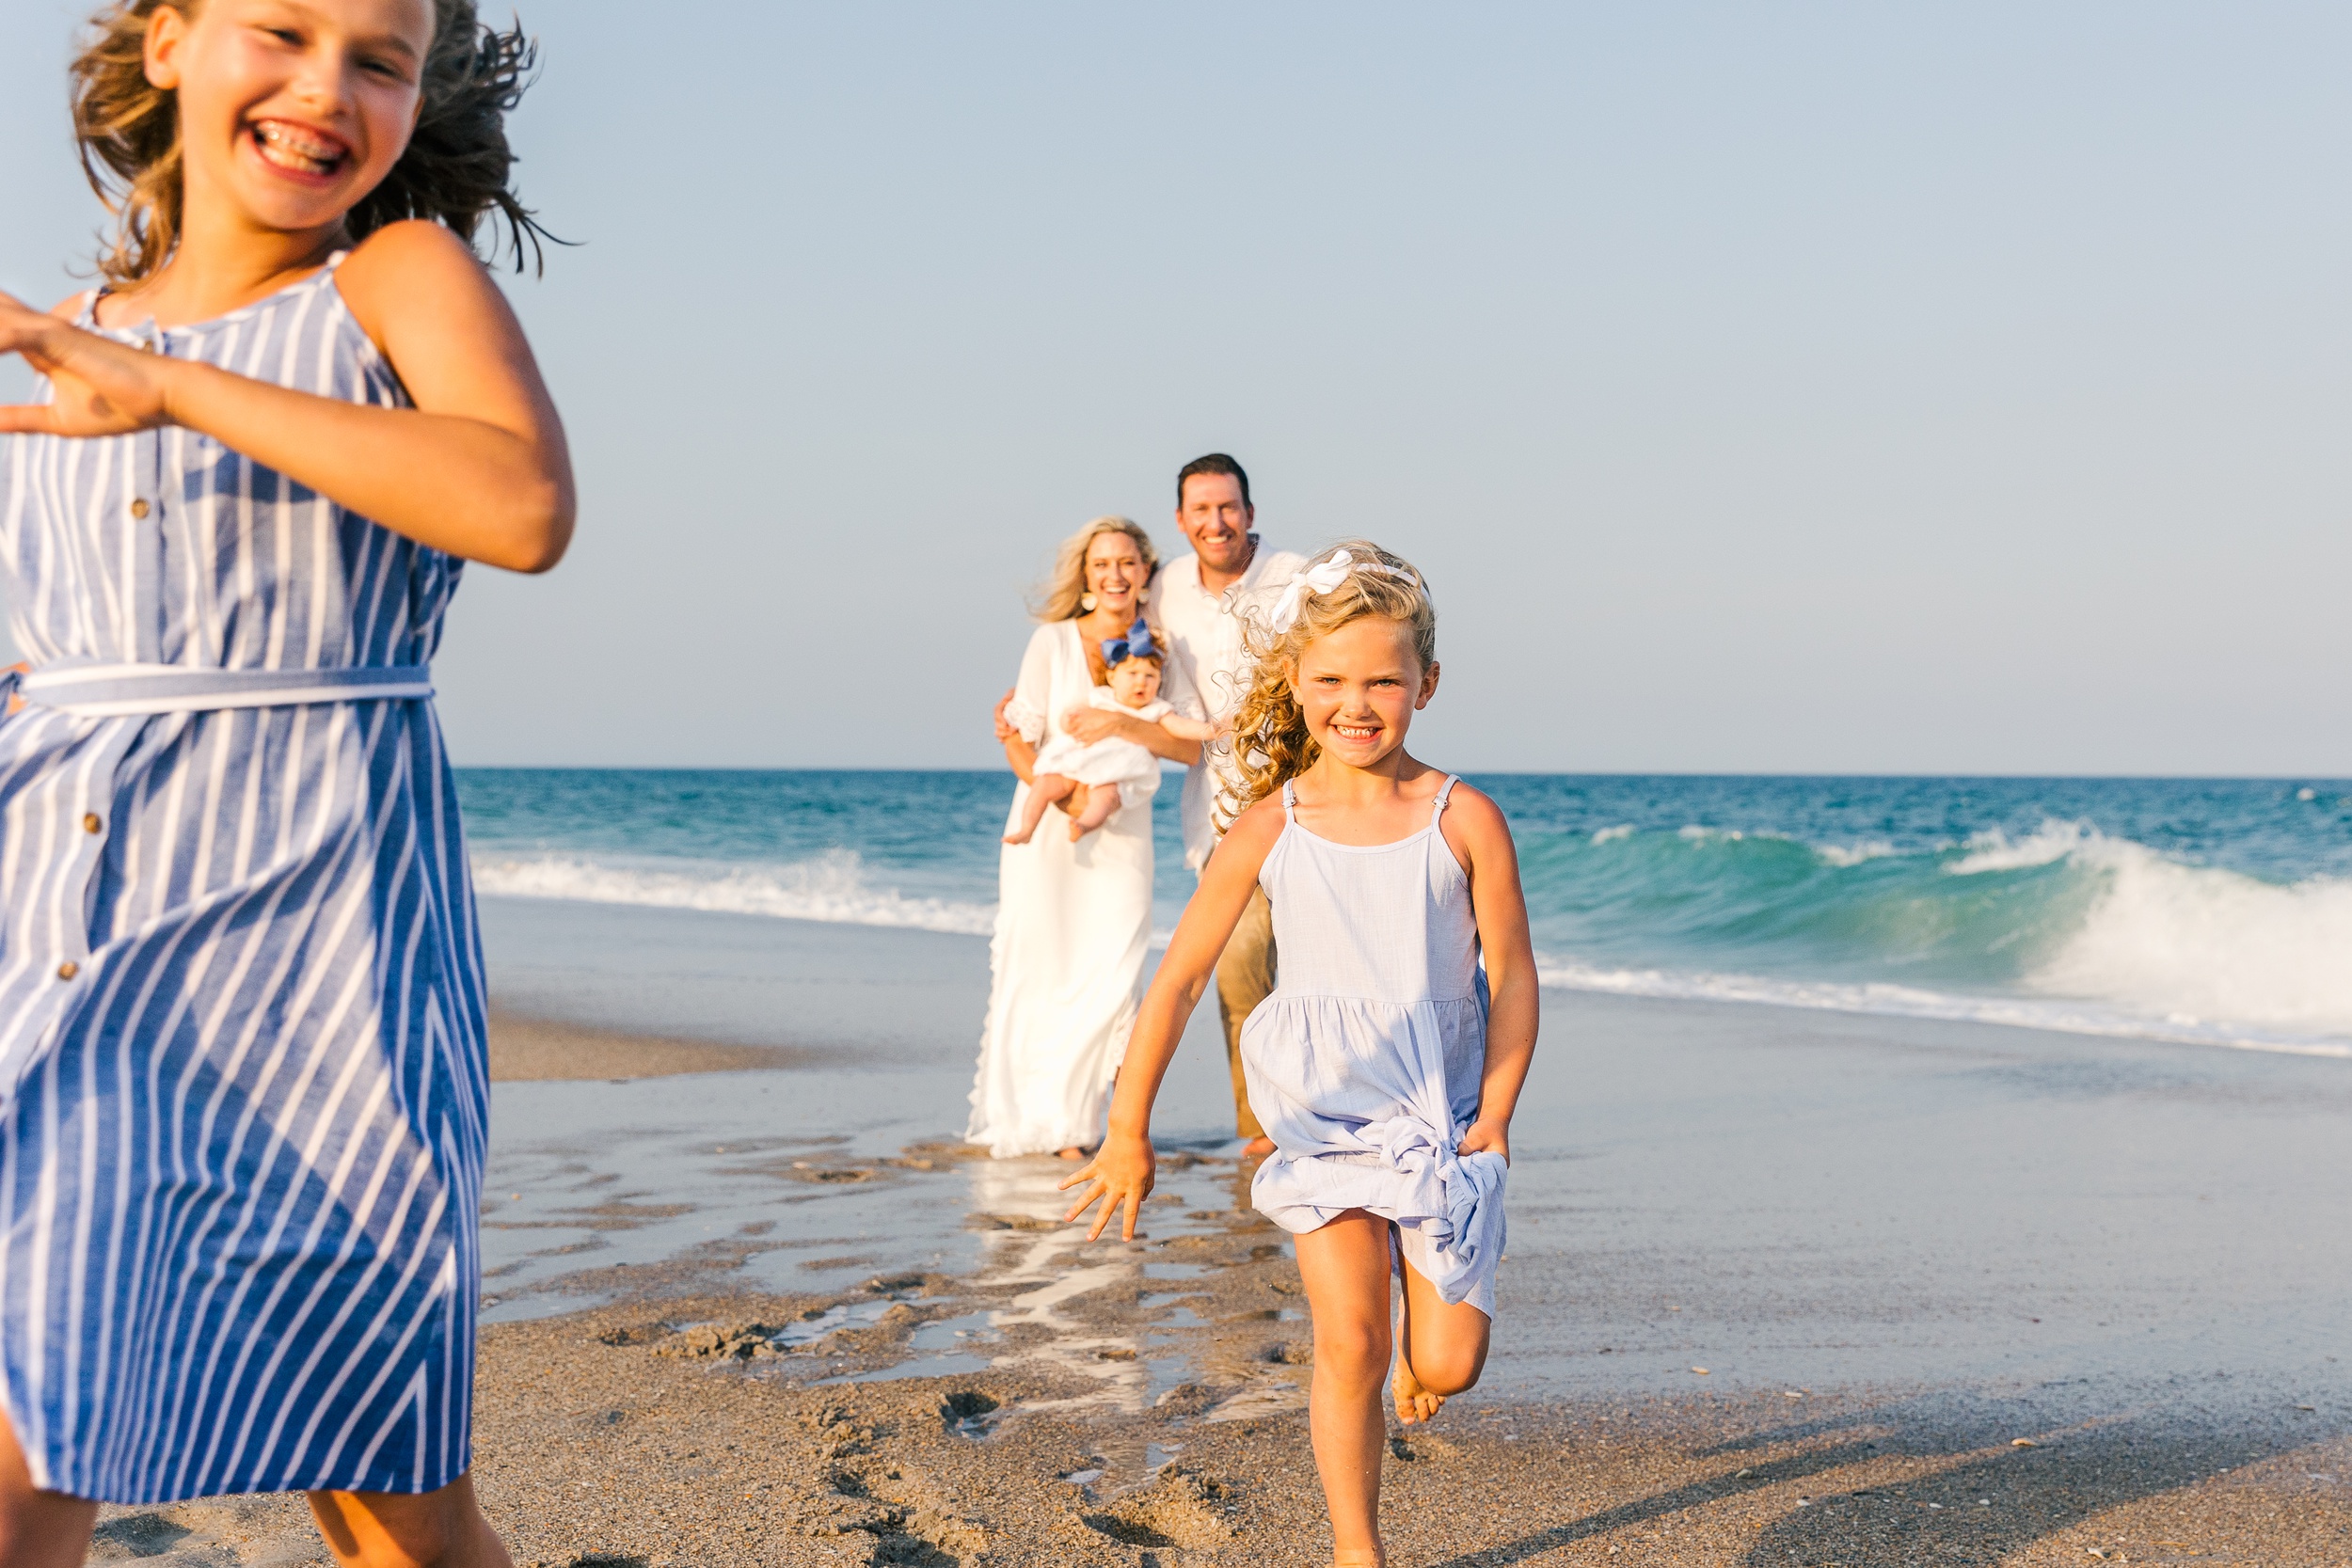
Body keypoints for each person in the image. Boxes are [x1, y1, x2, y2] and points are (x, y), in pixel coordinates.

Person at [0, 0, 572, 1563]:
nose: (329, 86)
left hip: (317, 968)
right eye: (284, 29)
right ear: (171, 42)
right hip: (60, 949)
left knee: (390, 1506)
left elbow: (519, 504)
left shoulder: (390, 281)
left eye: (380, 59)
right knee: (20, 1455)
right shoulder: (62, 327)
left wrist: (166, 384)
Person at [1060, 542, 1539, 1568]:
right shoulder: (1270, 823)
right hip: (1321, 1114)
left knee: (1447, 1364)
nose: (1355, 702)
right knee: (1350, 1344)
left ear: (1426, 683)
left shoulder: (1464, 818)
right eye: (1329, 679)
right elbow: (1180, 979)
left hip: (1439, 1114)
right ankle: (1354, 1548)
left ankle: (1422, 1354)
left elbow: (1513, 977)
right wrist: (1127, 1128)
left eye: (1381, 679)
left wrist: (1494, 1113)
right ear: (1294, 683)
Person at [970, 520, 1200, 1161]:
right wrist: (1063, 790)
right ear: (1085, 574)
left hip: (1123, 830)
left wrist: (1123, 721)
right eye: (1102, 565)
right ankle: (1034, 1122)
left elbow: (1184, 744)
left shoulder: (1160, 645)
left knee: (1112, 969)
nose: (1115, 575)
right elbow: (1020, 732)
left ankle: (1077, 1123)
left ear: (1146, 571)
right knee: (1041, 966)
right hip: (1050, 825)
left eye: (1127, 562)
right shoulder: (1052, 641)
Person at [1107, 453, 1305, 1155]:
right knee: (1241, 965)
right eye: (1201, 510)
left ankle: (1332, 1118)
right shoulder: (1163, 594)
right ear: (1180, 520)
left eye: (1228, 508)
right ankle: (1261, 1134)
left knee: (1318, 971)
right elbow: (1133, 679)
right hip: (1219, 814)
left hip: (1306, 799)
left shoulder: (1297, 580)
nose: (1215, 523)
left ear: (1250, 512)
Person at [1004, 619, 1213, 846]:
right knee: (1045, 784)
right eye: (1132, 674)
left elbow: (1180, 727)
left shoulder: (1157, 709)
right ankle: (1027, 828)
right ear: (1112, 677)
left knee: (1106, 797)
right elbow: (1071, 716)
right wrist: (1069, 721)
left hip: (1118, 769)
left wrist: (1210, 730)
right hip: (1078, 759)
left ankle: (1084, 825)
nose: (1141, 682)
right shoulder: (1101, 697)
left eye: (1150, 676)